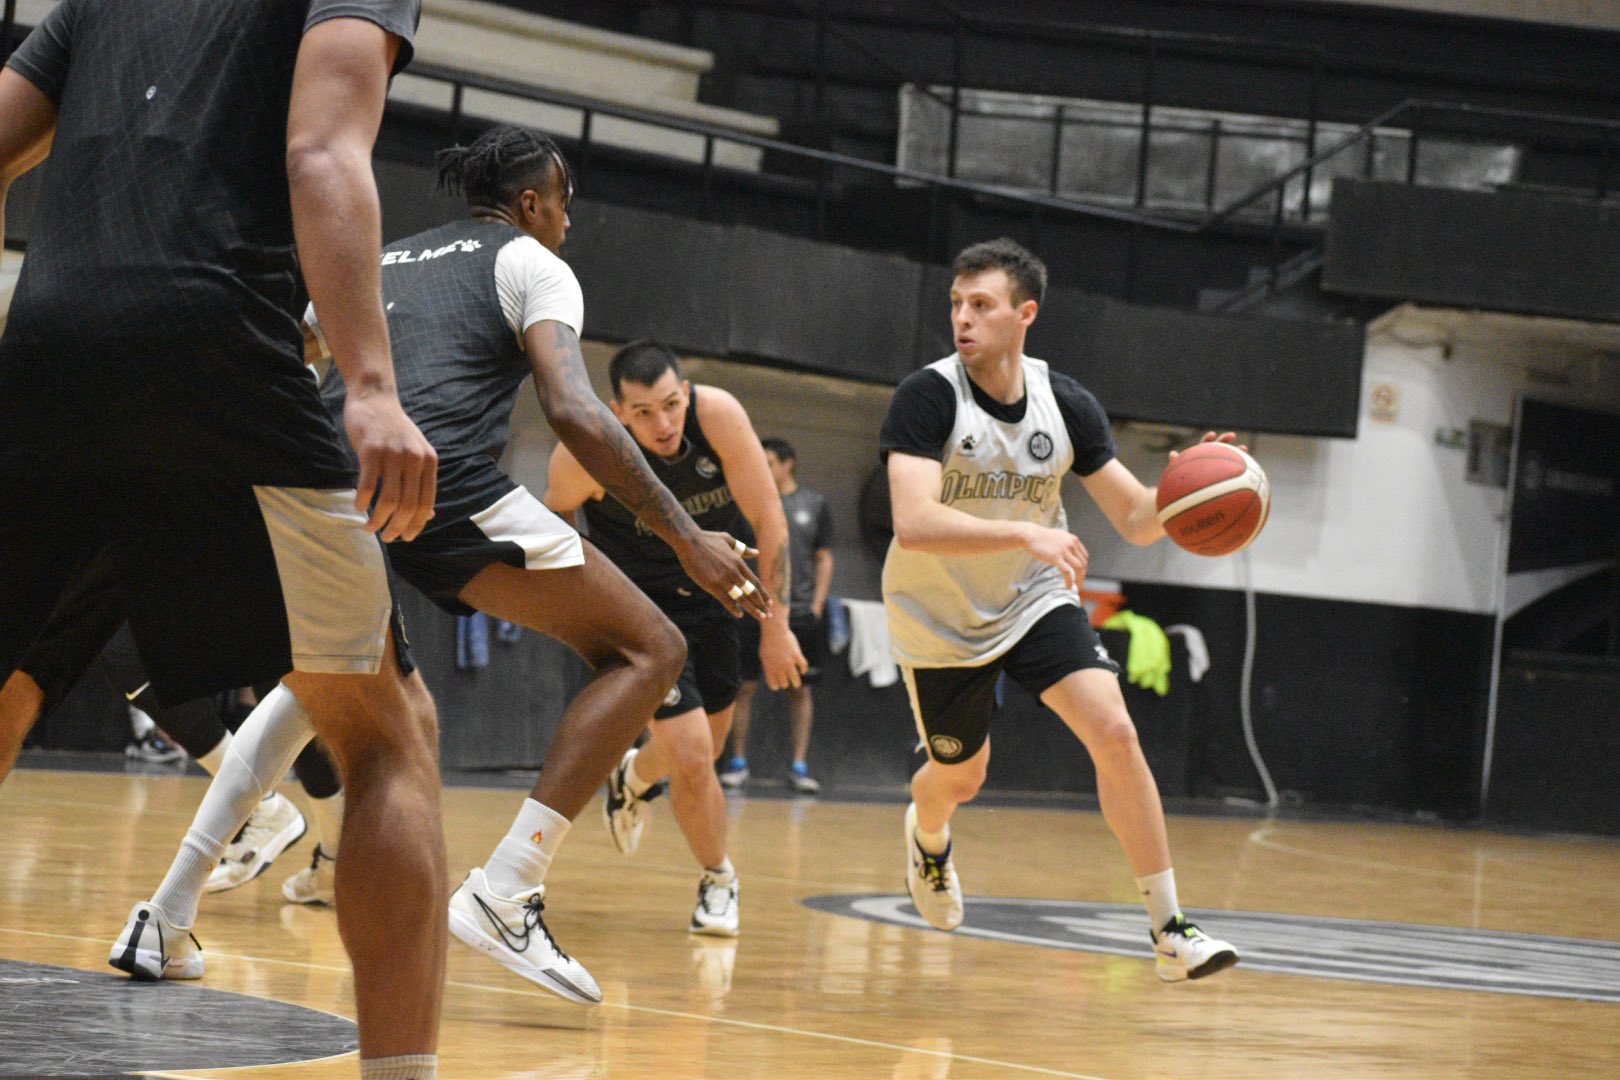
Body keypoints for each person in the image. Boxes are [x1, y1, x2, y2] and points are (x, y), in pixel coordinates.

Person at [119, 126, 768, 1003]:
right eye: (565, 203)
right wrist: (684, 539)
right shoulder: (533, 263)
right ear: (533, 202)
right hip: (434, 474)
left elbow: (289, 354)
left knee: (319, 683)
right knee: (651, 650)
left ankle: (164, 913)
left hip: (313, 470)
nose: (569, 222)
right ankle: (508, 890)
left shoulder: (387, 260)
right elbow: (574, 408)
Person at [0, 3, 450, 1076]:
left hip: (50, 344)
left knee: (10, 693)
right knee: (385, 731)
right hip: (218, 348)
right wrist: (375, 386)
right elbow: (320, 148)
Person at [879, 237, 1240, 983]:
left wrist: (1184, 491)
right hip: (939, 613)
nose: (963, 319)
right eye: (957, 304)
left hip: (1034, 597)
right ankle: (930, 834)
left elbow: (1137, 519)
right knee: (960, 777)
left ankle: (1170, 930)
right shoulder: (928, 396)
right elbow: (913, 522)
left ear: (1025, 314)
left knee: (1114, 728)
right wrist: (1024, 529)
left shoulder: (1066, 403)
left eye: (982, 305)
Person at [547, 342, 807, 937]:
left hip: (720, 595)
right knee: (692, 754)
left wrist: (777, 625)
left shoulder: (718, 417)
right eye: (643, 412)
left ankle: (635, 776)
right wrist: (584, 604)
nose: (662, 424)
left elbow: (769, 517)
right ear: (617, 412)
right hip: (643, 612)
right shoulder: (587, 454)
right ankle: (719, 878)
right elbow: (555, 516)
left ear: (686, 394)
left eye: (671, 405)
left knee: (707, 748)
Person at [722, 437, 835, 794]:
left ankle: (799, 766)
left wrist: (816, 606)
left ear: (788, 464)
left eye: (769, 462)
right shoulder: (748, 501)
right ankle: (737, 763)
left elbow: (825, 557)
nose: (763, 469)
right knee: (744, 686)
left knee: (799, 690)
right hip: (754, 608)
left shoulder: (814, 504)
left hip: (800, 613)